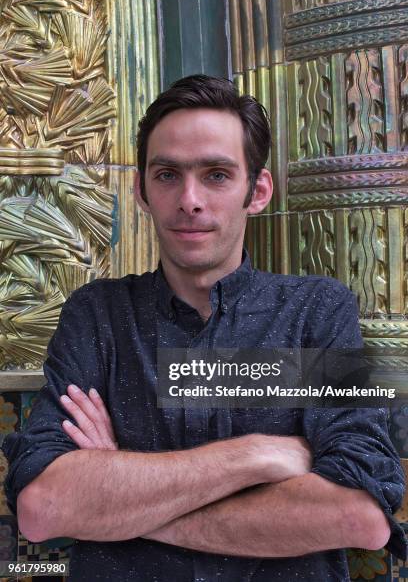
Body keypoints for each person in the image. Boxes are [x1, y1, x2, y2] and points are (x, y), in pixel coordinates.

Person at [2, 75, 406, 582]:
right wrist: (259, 456)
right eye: (167, 174)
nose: (189, 200)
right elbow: (45, 509)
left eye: (216, 175)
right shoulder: (97, 315)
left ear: (256, 191)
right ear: (142, 191)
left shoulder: (315, 313)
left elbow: (357, 516)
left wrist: (122, 501)